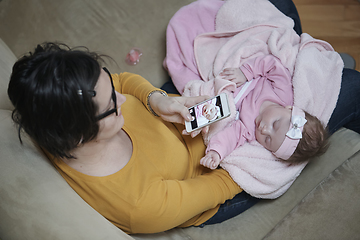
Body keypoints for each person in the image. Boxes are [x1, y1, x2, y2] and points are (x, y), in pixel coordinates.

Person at [7, 42, 257, 234]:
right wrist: (243, 140)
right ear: (80, 136)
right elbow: (222, 185)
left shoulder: (65, 108)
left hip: (174, 120)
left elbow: (122, 81)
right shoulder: (140, 205)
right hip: (209, 174)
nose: (123, 100)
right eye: (112, 103)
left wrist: (155, 100)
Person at [200, 55, 328, 170]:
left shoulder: (249, 129)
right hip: (237, 69)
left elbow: (231, 137)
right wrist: (245, 73)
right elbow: (272, 64)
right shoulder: (282, 93)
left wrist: (217, 152)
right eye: (275, 124)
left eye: (267, 140)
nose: (264, 130)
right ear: (289, 108)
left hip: (220, 90)